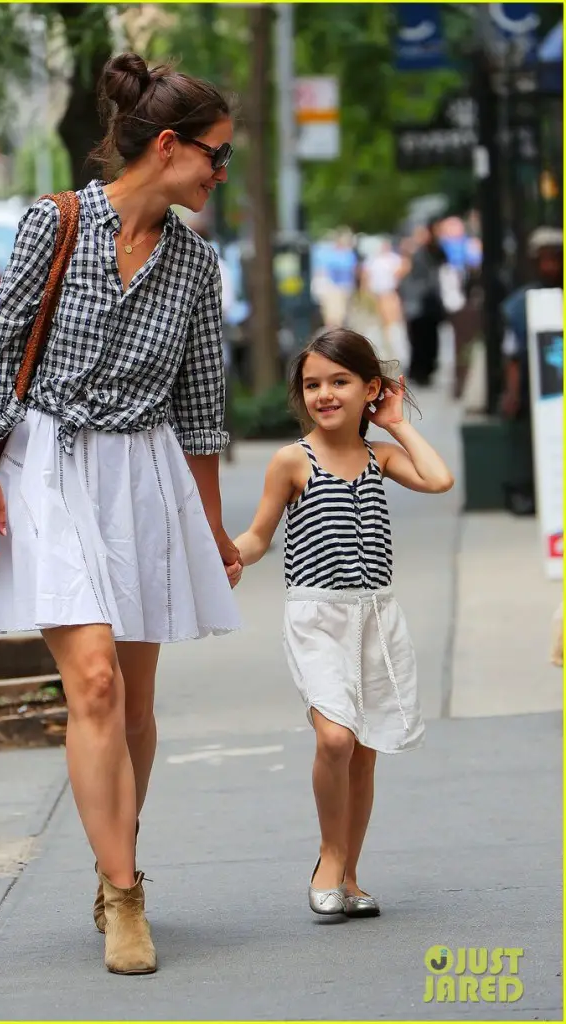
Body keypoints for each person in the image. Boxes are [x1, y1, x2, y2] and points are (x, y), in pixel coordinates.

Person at [0, 52, 244, 975]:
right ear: (167, 145)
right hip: (47, 464)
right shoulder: (54, 223)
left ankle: (117, 859)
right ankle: (124, 895)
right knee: (98, 684)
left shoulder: (195, 263)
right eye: (215, 156)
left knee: (138, 705)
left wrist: (213, 527)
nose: (220, 173)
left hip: (143, 473)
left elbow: (200, 410)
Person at [233, 328, 453, 919]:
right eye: (312, 384)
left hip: (376, 617)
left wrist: (396, 423)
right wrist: (232, 554)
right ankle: (330, 858)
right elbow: (259, 534)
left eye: (339, 382)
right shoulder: (291, 461)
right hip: (317, 616)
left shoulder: (380, 457)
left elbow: (439, 479)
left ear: (369, 389)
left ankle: (350, 874)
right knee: (336, 737)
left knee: (364, 750)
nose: (324, 394)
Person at [500, 227, 563, 515]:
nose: (551, 266)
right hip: (540, 387)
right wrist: (512, 393)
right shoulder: (520, 304)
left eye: (557, 258)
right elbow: (512, 353)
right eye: (545, 259)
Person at [398, 219, 448, 387]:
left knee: (430, 339)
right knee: (419, 339)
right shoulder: (412, 252)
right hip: (417, 302)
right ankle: (419, 371)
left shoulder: (434, 251)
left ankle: (425, 370)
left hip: (430, 302)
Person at [362, 238, 407, 368]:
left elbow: (402, 270)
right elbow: (366, 275)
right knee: (380, 323)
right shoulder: (373, 260)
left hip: (389, 292)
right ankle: (383, 349)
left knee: (393, 323)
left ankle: (395, 350)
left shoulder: (393, 259)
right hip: (377, 294)